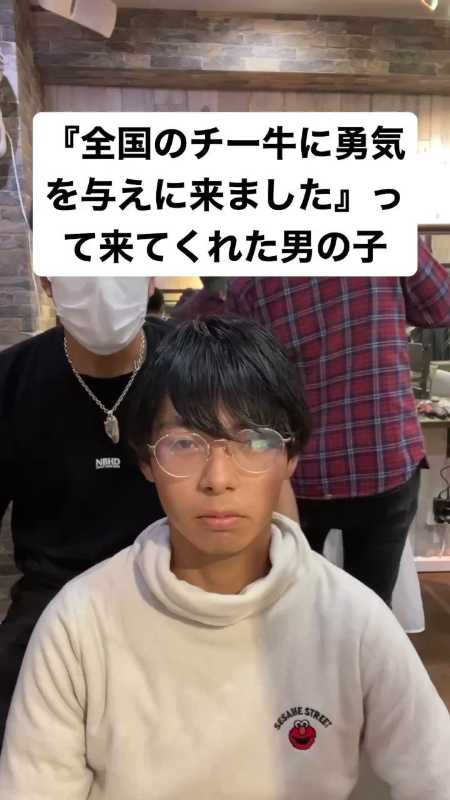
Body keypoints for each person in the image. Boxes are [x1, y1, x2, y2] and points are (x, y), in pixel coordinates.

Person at [0, 317, 448, 799]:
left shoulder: (353, 622)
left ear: (291, 457)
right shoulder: (78, 622)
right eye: (185, 444)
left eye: (254, 441)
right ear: (147, 461)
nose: (218, 478)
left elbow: (433, 774)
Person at [226, 240, 450, 606]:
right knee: (372, 607)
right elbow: (441, 306)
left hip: (299, 471)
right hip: (383, 456)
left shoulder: (253, 268)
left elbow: (243, 379)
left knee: (292, 601)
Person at [0, 276, 171, 746]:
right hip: (53, 596)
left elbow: (262, 486)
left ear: (151, 274)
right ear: (45, 279)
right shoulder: (12, 379)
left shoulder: (193, 365)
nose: (101, 278)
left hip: (179, 583)